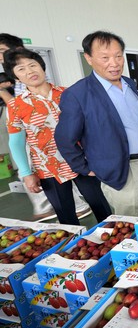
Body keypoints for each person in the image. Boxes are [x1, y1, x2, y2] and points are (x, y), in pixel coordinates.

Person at [55, 31, 138, 217]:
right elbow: (64, 138)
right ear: (88, 58)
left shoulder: (129, 83)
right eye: (105, 58)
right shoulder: (77, 94)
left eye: (118, 56)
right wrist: (83, 167)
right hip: (120, 168)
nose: (114, 63)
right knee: (128, 219)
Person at [3, 49, 111, 225]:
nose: (30, 71)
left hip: (81, 160)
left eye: (33, 65)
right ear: (15, 78)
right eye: (21, 69)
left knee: (100, 204)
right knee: (65, 214)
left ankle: (114, 238)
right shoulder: (15, 105)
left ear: (42, 67)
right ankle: (74, 247)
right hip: (47, 167)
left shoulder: (68, 93)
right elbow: (16, 143)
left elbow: (91, 127)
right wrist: (26, 173)